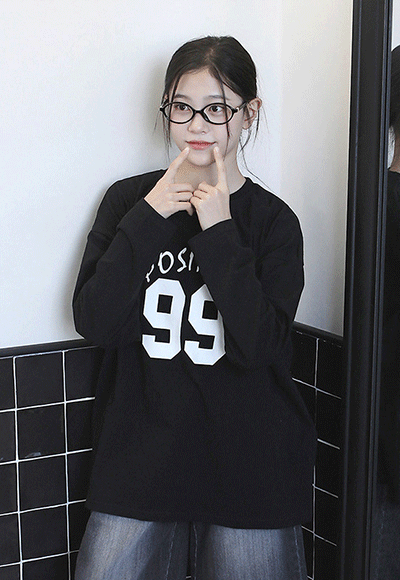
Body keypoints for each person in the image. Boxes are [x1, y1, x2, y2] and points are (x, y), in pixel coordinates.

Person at [72, 35, 316, 580]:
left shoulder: (273, 222)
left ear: (250, 113)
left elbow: (261, 346)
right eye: (182, 107)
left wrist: (220, 229)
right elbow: (94, 320)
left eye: (217, 108)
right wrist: (150, 215)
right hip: (140, 459)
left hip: (250, 469)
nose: (197, 125)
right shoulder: (128, 201)